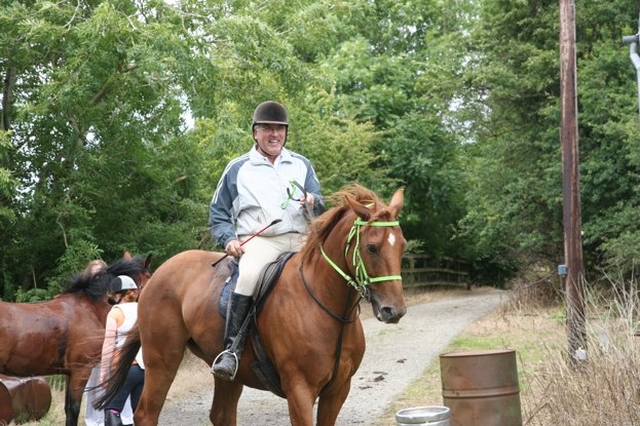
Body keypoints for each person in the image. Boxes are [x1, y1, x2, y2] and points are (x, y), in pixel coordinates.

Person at [209, 100, 325, 380]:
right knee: (248, 275)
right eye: (268, 128)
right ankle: (232, 350)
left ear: (286, 132)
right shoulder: (238, 168)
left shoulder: (301, 164)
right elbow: (218, 212)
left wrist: (313, 200)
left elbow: (322, 205)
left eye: (280, 129)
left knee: (332, 269)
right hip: (261, 241)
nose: (275, 134)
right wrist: (228, 239)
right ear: (255, 133)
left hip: (301, 238)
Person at [82, 261, 134, 426]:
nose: (98, 277)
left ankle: (124, 418)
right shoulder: (85, 297)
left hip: (115, 346)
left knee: (119, 384)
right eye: (95, 274)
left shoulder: (113, 296)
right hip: (93, 345)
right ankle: (93, 421)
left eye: (101, 273)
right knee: (94, 385)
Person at [99, 275, 144, 426]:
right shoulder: (144, 309)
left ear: (118, 294)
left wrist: (103, 371)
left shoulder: (115, 312)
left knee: (112, 409)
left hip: (124, 368)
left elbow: (108, 345)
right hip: (144, 369)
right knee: (139, 412)